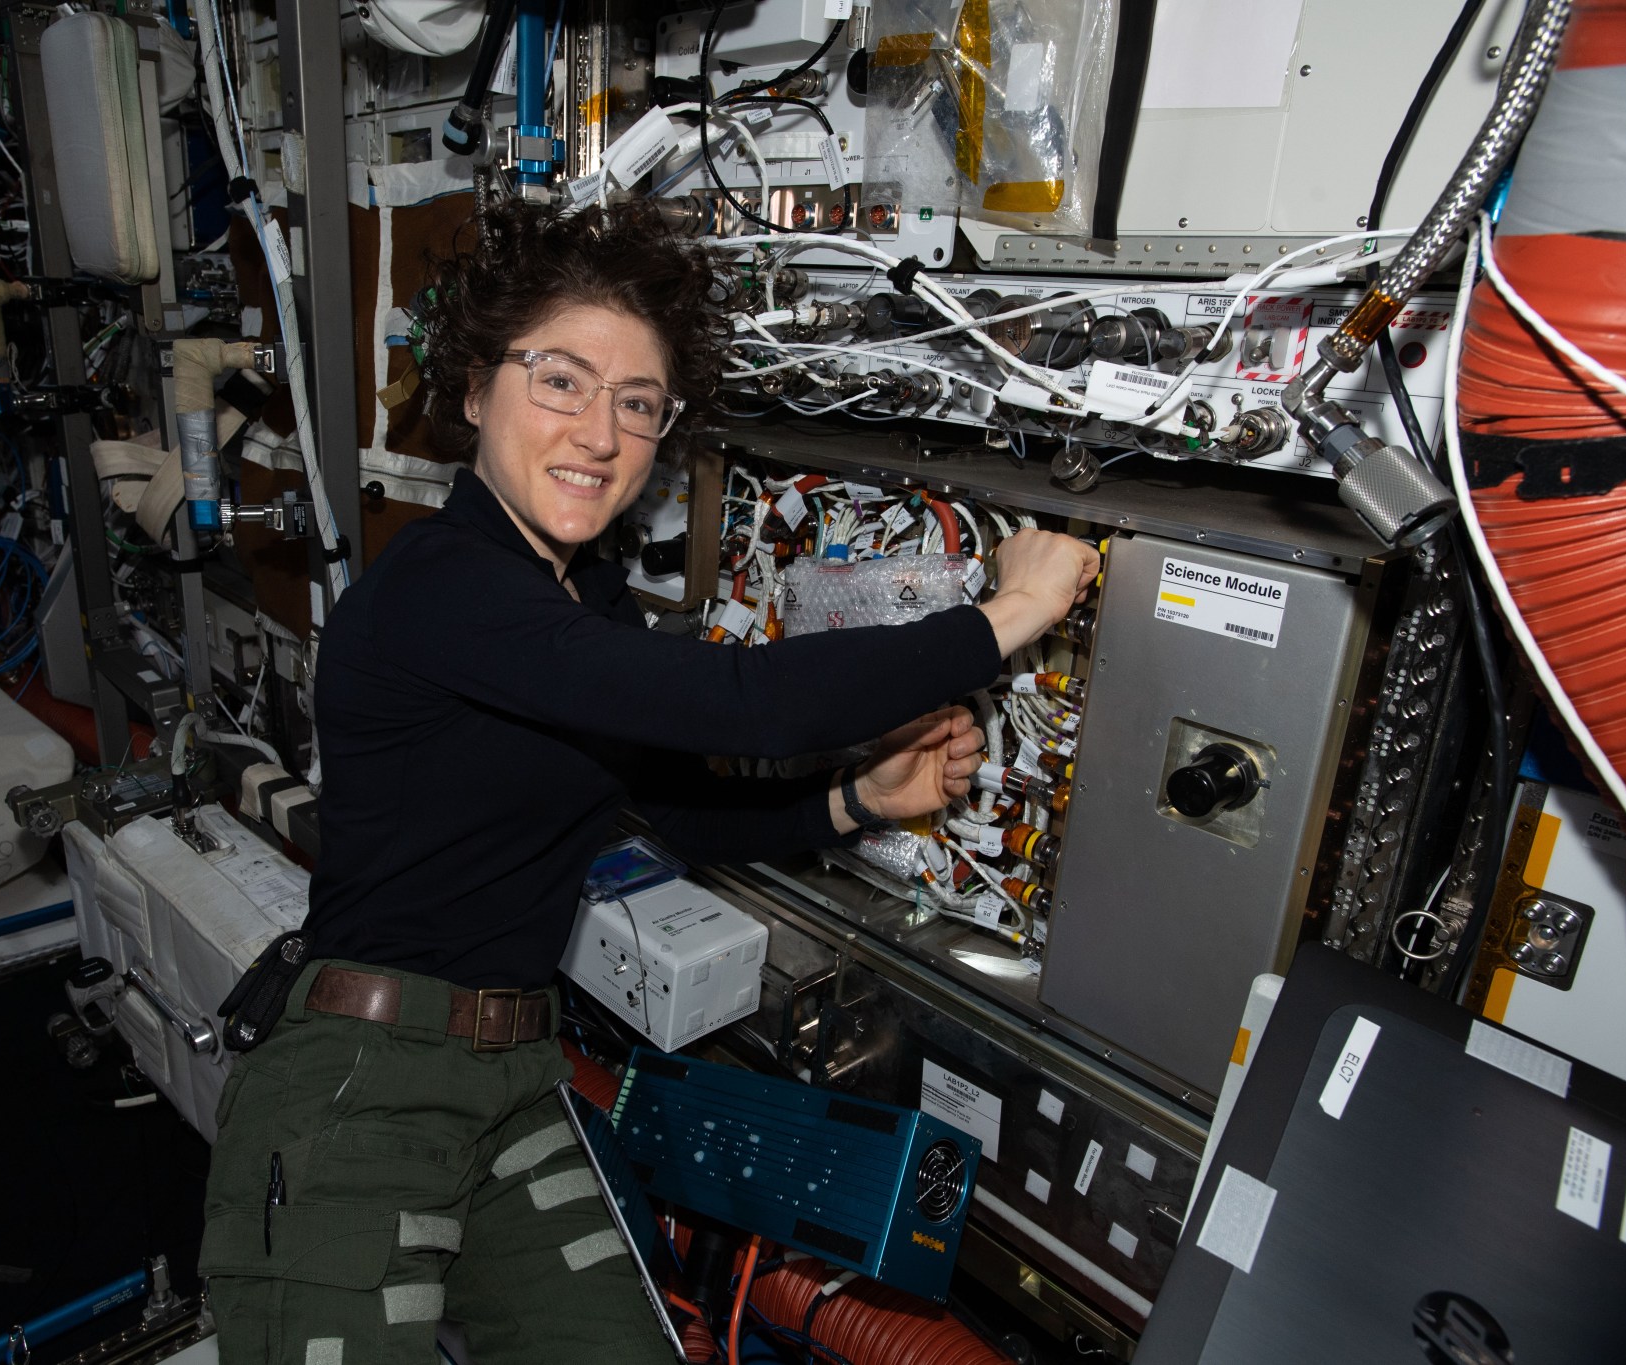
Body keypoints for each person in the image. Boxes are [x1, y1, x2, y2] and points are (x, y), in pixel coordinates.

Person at [198, 197, 1097, 1363]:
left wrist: (855, 803)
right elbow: (744, 703)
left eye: (636, 404)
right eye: (560, 381)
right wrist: (1006, 614)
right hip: (361, 1086)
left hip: (511, 1079)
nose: (600, 434)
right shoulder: (441, 585)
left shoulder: (585, 603)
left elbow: (660, 807)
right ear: (474, 390)